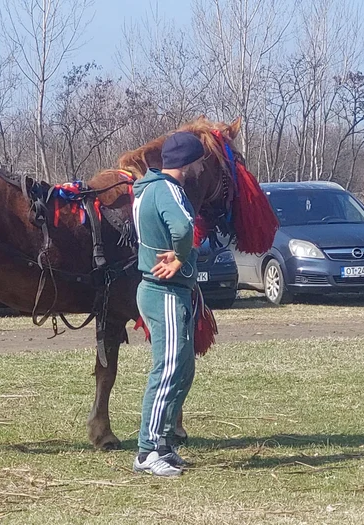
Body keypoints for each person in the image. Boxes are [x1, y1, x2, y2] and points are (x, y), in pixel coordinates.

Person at [131, 131, 205, 477]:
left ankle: (162, 443)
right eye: (198, 161)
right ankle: (147, 450)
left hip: (162, 291)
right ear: (187, 163)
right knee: (169, 368)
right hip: (165, 291)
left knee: (183, 368)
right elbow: (183, 226)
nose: (200, 167)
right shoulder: (168, 190)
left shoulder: (149, 187)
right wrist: (180, 256)